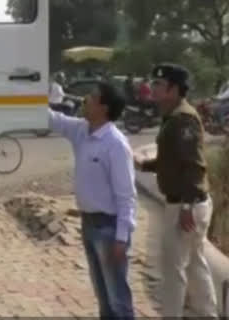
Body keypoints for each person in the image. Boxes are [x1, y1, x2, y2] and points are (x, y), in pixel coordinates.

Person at [134, 63, 218, 317]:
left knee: (173, 271)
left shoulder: (182, 119)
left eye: (159, 84)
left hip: (185, 203)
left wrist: (186, 206)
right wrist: (146, 164)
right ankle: (207, 314)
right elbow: (174, 160)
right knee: (194, 265)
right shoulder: (174, 116)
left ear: (173, 89)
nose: (153, 88)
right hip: (191, 202)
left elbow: (194, 165)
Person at [49, 81, 137, 318]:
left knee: (118, 298)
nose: (85, 99)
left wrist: (122, 237)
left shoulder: (115, 144)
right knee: (103, 296)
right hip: (89, 224)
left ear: (104, 108)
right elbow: (52, 119)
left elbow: (126, 195)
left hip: (109, 228)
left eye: (92, 97)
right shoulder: (81, 130)